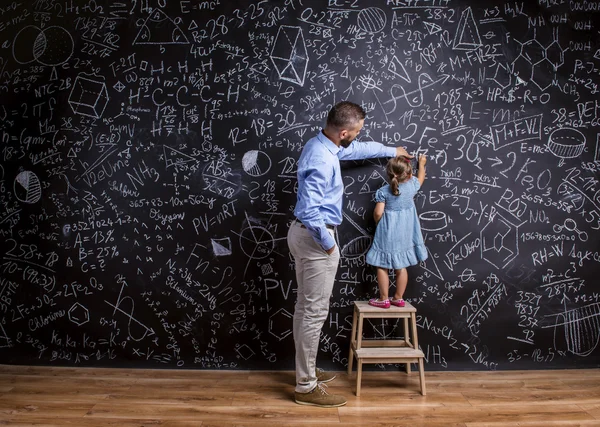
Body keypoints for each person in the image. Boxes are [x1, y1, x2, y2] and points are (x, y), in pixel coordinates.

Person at [287, 101, 413, 408]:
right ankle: (305, 386)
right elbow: (308, 209)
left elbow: (355, 151)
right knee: (313, 313)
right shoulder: (321, 158)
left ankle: (307, 371)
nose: (357, 136)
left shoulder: (324, 144)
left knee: (306, 309)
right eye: (356, 132)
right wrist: (329, 244)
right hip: (316, 238)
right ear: (344, 131)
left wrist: (389, 149)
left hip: (302, 234)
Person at [365, 154, 428, 309]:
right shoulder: (412, 185)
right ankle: (398, 298)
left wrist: (378, 222)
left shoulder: (384, 192)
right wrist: (422, 163)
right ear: (409, 173)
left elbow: (378, 213)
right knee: (401, 266)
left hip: (388, 232)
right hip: (405, 232)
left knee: (381, 265)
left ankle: (384, 298)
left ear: (390, 174)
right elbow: (421, 178)